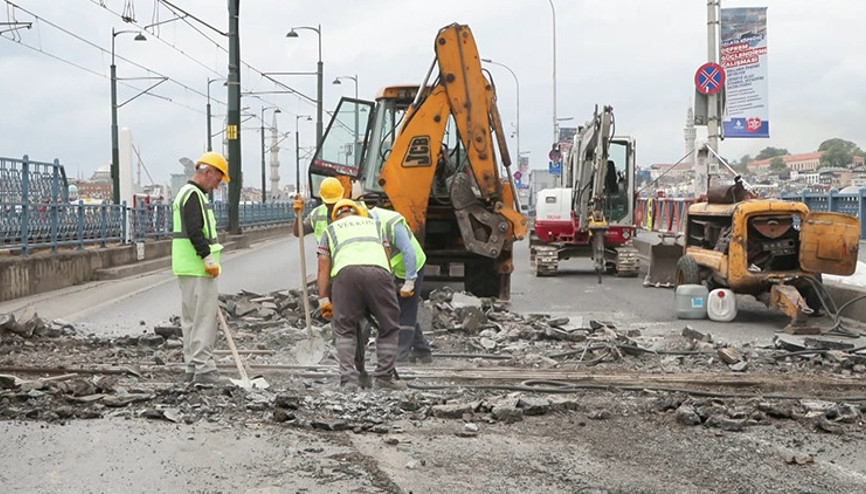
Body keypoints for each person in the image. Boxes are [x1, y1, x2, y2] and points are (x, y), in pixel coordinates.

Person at [316, 198, 406, 391]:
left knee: (345, 329)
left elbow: (323, 267)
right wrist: (380, 290)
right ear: (358, 212)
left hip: (346, 275)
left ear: (336, 216)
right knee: (389, 326)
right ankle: (384, 377)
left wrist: (323, 299)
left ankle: (349, 380)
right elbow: (386, 259)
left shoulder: (330, 230)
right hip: (379, 273)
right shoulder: (375, 226)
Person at [171, 151, 231, 385]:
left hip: (186, 267)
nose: (217, 186)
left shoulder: (185, 193)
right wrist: (207, 258)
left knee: (190, 320)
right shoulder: (193, 195)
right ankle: (204, 369)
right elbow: (195, 230)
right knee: (204, 320)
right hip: (199, 268)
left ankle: (192, 366)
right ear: (208, 172)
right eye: (217, 179)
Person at [367, 203, 431, 363]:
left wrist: (410, 280)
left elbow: (408, 251)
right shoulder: (367, 225)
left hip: (413, 267)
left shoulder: (391, 222)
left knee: (407, 310)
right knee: (399, 308)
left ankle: (400, 354)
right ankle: (422, 350)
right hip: (396, 270)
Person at [292, 177, 344, 241]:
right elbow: (298, 232)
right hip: (323, 247)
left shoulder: (351, 212)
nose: (332, 206)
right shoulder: (317, 214)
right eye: (329, 203)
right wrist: (298, 215)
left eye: (334, 202)